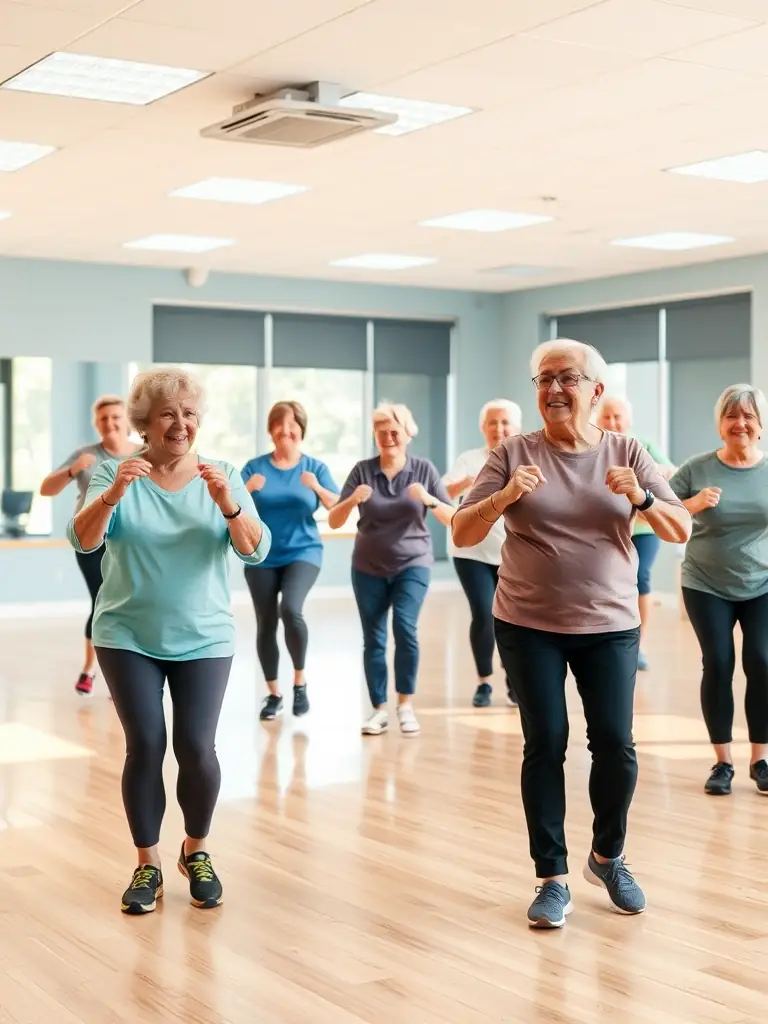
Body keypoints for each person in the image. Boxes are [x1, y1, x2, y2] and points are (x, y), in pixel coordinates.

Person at [452, 339, 690, 929]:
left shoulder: (627, 450)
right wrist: (505, 496)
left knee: (616, 744)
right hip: (528, 623)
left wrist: (638, 494)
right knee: (547, 741)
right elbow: (459, 532)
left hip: (609, 623)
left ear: (595, 391)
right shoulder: (511, 452)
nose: (554, 390)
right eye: (544, 379)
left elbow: (680, 526)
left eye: (567, 378)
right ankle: (551, 878)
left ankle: (608, 857)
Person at [67, 368, 270, 915]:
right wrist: (113, 493)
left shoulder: (220, 474)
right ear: (145, 423)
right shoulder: (114, 472)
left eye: (189, 415)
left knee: (197, 750)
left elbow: (255, 551)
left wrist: (228, 502)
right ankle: (147, 864)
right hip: (126, 633)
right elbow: (84, 541)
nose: (180, 424)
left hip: (204, 635)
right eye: (168, 414)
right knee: (147, 746)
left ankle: (196, 850)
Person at [328, 402, 454, 736]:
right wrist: (353, 499)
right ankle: (379, 710)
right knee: (374, 638)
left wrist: (427, 498)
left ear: (407, 434)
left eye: (394, 431)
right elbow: (334, 518)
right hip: (367, 566)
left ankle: (405, 705)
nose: (388, 437)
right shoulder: (362, 470)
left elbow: (451, 516)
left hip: (413, 562)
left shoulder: (423, 469)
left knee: (404, 627)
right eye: (381, 432)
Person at [669, 384, 768, 798]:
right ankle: (723, 761)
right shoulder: (697, 469)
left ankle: (760, 759)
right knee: (719, 661)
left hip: (762, 581)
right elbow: (657, 510)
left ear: (760, 425)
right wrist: (692, 505)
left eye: (748, 416)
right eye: (731, 416)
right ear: (720, 424)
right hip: (705, 582)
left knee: (762, 661)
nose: (739, 423)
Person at [241, 400, 339, 721]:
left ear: (301, 430)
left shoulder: (314, 468)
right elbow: (227, 504)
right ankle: (273, 693)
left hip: (303, 551)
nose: (286, 431)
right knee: (266, 623)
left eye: (293, 425)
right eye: (279, 425)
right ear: (271, 431)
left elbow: (338, 507)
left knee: (291, 609)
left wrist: (318, 487)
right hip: (261, 554)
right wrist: (246, 488)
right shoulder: (254, 468)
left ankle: (299, 681)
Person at [40, 395, 142, 695]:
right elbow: (47, 489)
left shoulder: (146, 453)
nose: (110, 423)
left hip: (134, 541)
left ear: (127, 420)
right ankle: (90, 668)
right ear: (96, 424)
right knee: (103, 601)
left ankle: (124, 673)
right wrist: (73, 470)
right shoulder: (85, 455)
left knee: (133, 603)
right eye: (103, 419)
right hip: (92, 541)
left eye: (115, 417)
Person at [443, 399, 522, 707]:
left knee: (511, 620)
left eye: (505, 423)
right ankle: (484, 683)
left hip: (511, 555)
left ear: (516, 428)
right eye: (493, 423)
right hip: (471, 553)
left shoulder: (523, 458)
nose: (498, 429)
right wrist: (470, 481)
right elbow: (443, 492)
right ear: (483, 428)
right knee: (483, 613)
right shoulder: (469, 459)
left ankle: (514, 681)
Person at [596, 395, 675, 671]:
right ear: (597, 418)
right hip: (607, 525)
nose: (613, 421)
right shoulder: (594, 445)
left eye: (618, 416)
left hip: (643, 526)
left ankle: (638, 644)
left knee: (640, 576)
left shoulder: (644, 446)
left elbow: (672, 471)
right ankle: (608, 638)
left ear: (628, 420)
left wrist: (650, 473)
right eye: (607, 416)